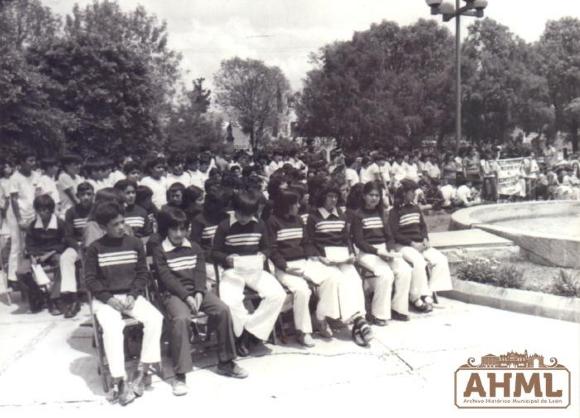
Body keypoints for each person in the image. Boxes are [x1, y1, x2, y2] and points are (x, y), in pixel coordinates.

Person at [152, 207, 247, 396]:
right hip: (173, 294)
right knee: (181, 319)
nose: (179, 234)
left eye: (183, 229)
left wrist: (198, 292)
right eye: (174, 229)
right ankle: (180, 374)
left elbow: (200, 272)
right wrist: (186, 297)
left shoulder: (194, 247)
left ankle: (226, 362)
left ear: (187, 229)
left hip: (197, 292)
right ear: (166, 230)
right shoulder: (160, 250)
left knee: (222, 309)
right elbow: (166, 278)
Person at [84, 201, 163, 405]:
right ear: (103, 227)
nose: (121, 227)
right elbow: (91, 280)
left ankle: (142, 371)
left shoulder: (135, 243)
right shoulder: (95, 249)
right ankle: (119, 379)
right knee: (112, 328)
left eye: (122, 222)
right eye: (115, 224)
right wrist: (108, 299)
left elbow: (142, 274)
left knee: (155, 318)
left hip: (130, 296)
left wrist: (133, 294)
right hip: (106, 299)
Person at [211, 189, 286, 356]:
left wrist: (263, 254)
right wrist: (227, 258)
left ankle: (249, 332)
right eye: (241, 215)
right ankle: (241, 335)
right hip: (233, 271)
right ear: (235, 210)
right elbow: (214, 252)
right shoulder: (224, 225)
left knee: (277, 294)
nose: (245, 219)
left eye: (248, 215)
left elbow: (266, 247)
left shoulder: (259, 224)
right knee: (231, 301)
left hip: (254, 269)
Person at [268, 191, 341, 347]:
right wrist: (286, 268)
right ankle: (303, 331)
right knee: (302, 289)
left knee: (331, 277)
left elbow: (306, 242)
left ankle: (320, 318)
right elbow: (272, 251)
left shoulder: (299, 220)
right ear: (287, 206)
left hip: (304, 262)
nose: (299, 206)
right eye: (296, 203)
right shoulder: (272, 222)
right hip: (285, 267)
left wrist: (312, 257)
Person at [305, 181, 373, 346]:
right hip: (322, 260)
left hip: (341, 257)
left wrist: (351, 254)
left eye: (336, 197)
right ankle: (357, 321)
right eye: (330, 197)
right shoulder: (313, 217)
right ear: (323, 198)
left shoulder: (341, 215)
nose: (333, 200)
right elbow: (308, 242)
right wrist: (320, 257)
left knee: (355, 280)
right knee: (338, 281)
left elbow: (346, 239)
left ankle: (358, 321)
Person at [350, 182, 413, 323]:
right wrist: (379, 252)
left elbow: (389, 236)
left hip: (385, 250)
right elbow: (359, 241)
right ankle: (379, 313)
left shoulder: (381, 214)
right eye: (371, 195)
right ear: (364, 196)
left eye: (377, 195)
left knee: (405, 270)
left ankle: (398, 308)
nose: (374, 198)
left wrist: (390, 250)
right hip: (368, 253)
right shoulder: (358, 215)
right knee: (386, 274)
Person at [389, 180, 452, 313]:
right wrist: (412, 244)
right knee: (419, 262)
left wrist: (425, 239)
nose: (414, 194)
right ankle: (416, 297)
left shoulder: (415, 208)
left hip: (420, 244)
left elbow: (422, 226)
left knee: (440, 260)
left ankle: (429, 293)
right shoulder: (395, 211)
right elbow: (394, 233)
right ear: (404, 193)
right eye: (412, 192)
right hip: (403, 245)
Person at [23, 194, 66, 314]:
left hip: (54, 253)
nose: (42, 213)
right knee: (22, 271)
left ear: (51, 209)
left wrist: (48, 255)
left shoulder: (60, 223)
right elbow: (29, 244)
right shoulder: (33, 225)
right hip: (37, 254)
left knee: (60, 263)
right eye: (39, 210)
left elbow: (64, 243)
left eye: (45, 210)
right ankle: (38, 297)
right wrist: (32, 257)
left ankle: (54, 299)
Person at [60, 182, 94, 318]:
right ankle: (71, 299)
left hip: (94, 244)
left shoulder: (98, 210)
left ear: (93, 195)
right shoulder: (71, 212)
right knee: (65, 258)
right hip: (78, 245)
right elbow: (68, 235)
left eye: (89, 194)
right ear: (78, 196)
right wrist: (78, 248)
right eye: (82, 194)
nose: (86, 197)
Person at [7, 150, 41, 285]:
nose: (33, 163)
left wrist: (38, 213)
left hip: (32, 212)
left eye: (34, 160)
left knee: (31, 244)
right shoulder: (14, 178)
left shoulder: (36, 175)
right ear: (21, 162)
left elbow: (38, 194)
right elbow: (14, 200)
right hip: (17, 214)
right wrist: (19, 219)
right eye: (30, 161)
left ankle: (30, 273)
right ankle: (12, 277)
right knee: (17, 245)